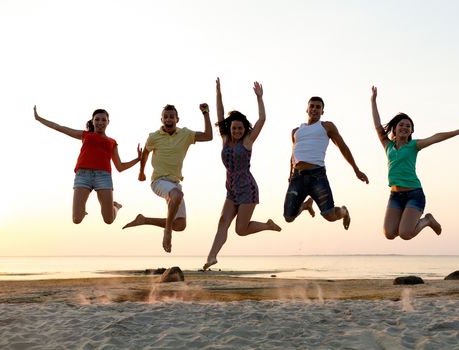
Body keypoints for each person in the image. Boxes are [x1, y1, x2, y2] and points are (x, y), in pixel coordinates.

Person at [370, 86, 459, 240]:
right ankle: (420, 221)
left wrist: (458, 131)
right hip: (395, 195)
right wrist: (373, 101)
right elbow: (377, 125)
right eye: (401, 125)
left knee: (405, 234)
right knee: (389, 234)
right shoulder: (388, 145)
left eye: (408, 126)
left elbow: (435, 137)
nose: (405, 127)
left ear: (411, 131)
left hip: (414, 194)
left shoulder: (414, 145)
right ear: (394, 129)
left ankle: (427, 220)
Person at [203, 78, 282, 270]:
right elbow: (220, 114)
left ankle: (267, 225)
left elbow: (262, 119)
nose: (237, 130)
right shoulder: (224, 138)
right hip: (231, 188)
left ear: (244, 129)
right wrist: (218, 93)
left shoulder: (247, 141)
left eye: (240, 128)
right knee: (223, 221)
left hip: (247, 188)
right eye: (234, 128)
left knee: (241, 230)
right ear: (229, 129)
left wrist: (259, 97)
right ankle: (211, 257)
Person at [123, 103, 212, 253]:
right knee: (177, 195)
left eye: (172, 116)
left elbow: (208, 136)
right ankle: (167, 232)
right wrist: (141, 172)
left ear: (177, 119)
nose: (168, 119)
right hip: (158, 181)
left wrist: (205, 113)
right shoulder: (154, 137)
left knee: (180, 225)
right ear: (161, 119)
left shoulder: (185, 134)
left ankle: (144, 220)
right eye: (166, 116)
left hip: (175, 183)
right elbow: (145, 153)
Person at [33, 106, 141, 224]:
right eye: (97, 119)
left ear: (108, 122)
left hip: (103, 177)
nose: (100, 122)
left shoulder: (112, 142)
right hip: (83, 176)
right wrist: (38, 118)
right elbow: (59, 127)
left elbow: (120, 167)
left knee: (109, 220)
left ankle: (115, 206)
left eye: (103, 120)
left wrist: (137, 159)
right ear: (92, 121)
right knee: (76, 219)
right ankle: (81, 210)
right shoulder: (85, 135)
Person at [283, 96, 369, 229]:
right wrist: (290, 175)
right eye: (312, 106)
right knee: (288, 217)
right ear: (307, 109)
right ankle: (306, 205)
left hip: (316, 175)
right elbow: (293, 155)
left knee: (329, 215)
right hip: (298, 176)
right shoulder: (296, 131)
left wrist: (356, 169)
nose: (314, 109)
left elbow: (343, 147)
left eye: (318, 107)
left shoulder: (326, 126)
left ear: (322, 111)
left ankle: (344, 211)